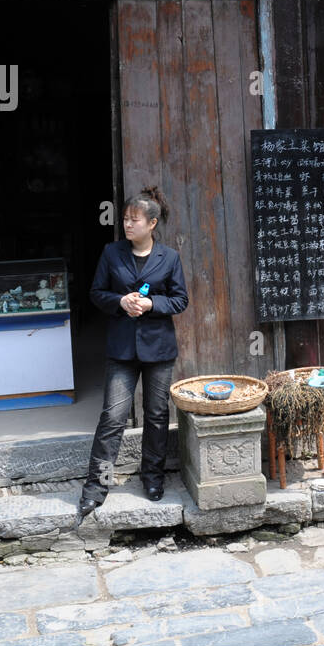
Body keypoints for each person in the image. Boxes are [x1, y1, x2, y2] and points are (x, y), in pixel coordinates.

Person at [79, 186, 189, 517]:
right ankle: (96, 487)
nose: (127, 225)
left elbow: (180, 299)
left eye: (134, 220)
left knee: (156, 416)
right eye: (125, 219)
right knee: (112, 417)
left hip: (158, 348)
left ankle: (152, 479)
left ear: (152, 223)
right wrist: (120, 301)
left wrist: (151, 303)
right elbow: (97, 293)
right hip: (122, 349)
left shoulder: (168, 257)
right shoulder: (112, 253)